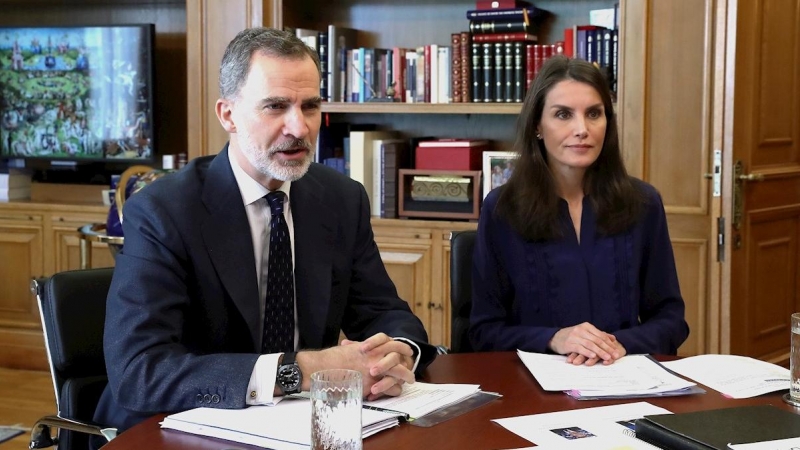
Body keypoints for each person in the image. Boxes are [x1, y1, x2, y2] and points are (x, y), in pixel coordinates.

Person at [92, 27, 437, 438]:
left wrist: (397, 354)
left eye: (310, 107)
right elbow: (139, 371)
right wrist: (299, 370)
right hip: (178, 428)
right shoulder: (164, 210)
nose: (300, 127)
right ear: (228, 115)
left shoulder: (341, 198)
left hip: (299, 427)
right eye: (276, 107)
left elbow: (383, 311)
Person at [469, 55, 689, 366]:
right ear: (537, 127)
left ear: (607, 123)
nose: (582, 129)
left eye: (594, 114)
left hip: (622, 377)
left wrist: (614, 344)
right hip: (533, 388)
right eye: (563, 114)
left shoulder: (643, 203)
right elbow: (483, 332)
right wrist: (554, 338)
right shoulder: (501, 209)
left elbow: (671, 321)